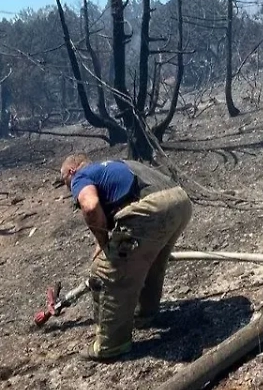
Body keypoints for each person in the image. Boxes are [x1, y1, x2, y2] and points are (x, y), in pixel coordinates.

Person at [59, 153, 193, 361]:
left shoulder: (80, 176)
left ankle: (111, 345)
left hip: (150, 209)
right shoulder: (113, 166)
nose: (69, 189)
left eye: (65, 181)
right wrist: (102, 241)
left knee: (105, 271)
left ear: (72, 171)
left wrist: (105, 246)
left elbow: (91, 206)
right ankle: (145, 314)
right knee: (151, 259)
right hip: (179, 201)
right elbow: (108, 209)